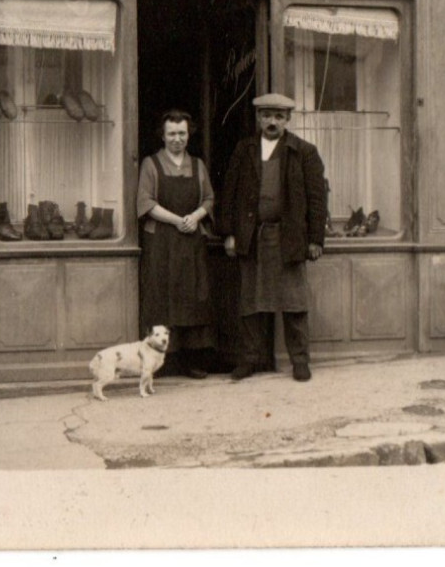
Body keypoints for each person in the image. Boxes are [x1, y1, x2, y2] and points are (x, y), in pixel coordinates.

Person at [219, 93, 327, 382]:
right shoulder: (244, 150)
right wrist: (229, 233)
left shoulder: (304, 152)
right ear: (259, 118)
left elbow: (317, 200)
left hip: (289, 238)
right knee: (251, 303)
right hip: (252, 236)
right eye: (267, 115)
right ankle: (249, 360)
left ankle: (300, 362)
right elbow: (229, 194)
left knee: (294, 304)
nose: (272, 122)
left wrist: (315, 239)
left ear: (287, 120)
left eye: (279, 116)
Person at [137, 109, 216, 378]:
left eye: (182, 133)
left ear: (188, 134)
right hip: (161, 241)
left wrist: (194, 217)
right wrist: (177, 220)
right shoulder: (151, 164)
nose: (177, 139)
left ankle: (192, 361)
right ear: (162, 135)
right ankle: (162, 363)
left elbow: (208, 200)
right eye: (171, 133)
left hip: (191, 240)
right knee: (162, 298)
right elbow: (146, 203)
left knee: (193, 298)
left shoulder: (198, 165)